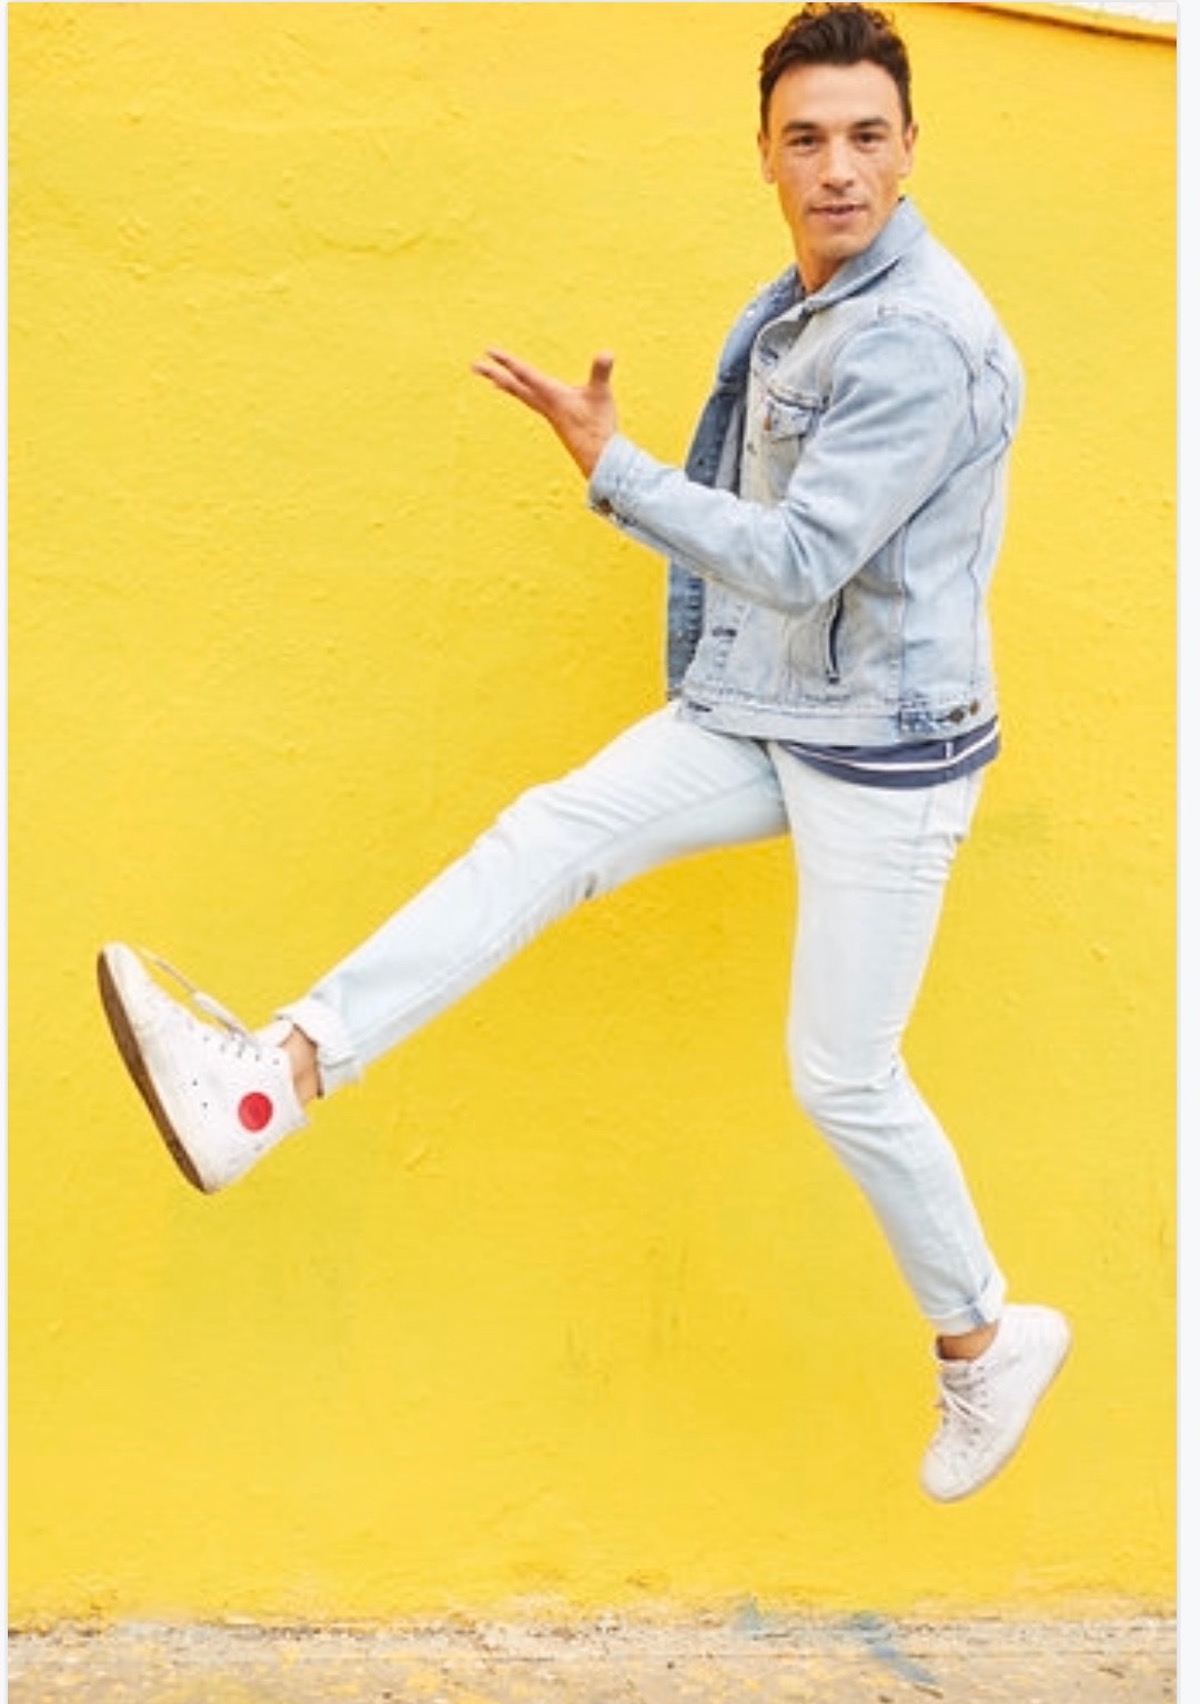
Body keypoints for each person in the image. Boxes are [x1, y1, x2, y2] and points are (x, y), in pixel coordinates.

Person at [98, 2, 1069, 1504]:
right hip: (775, 704)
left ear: (911, 149)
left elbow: (800, 556)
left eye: (867, 137)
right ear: (764, 154)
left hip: (886, 747)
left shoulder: (920, 339)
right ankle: (266, 1084)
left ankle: (984, 1341)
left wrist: (614, 470)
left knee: (843, 1078)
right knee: (547, 835)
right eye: (807, 138)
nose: (838, 168)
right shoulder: (808, 301)